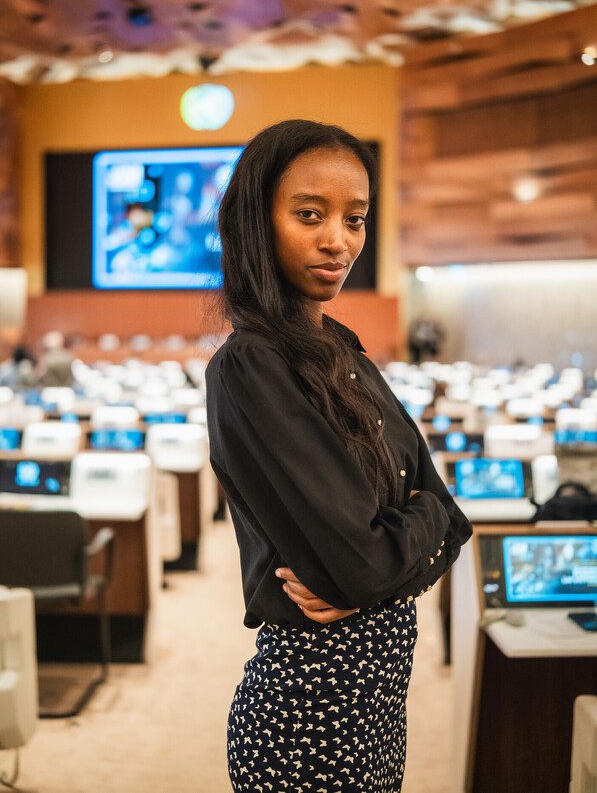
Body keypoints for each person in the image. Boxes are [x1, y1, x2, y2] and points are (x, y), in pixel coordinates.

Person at [205, 119, 472, 792]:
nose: (338, 240)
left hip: (377, 703)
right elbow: (365, 563)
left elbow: (447, 511)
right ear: (254, 222)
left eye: (354, 218)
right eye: (308, 214)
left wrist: (400, 551)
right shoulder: (250, 365)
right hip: (308, 709)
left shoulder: (343, 350)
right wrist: (408, 543)